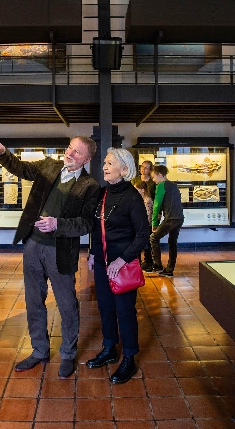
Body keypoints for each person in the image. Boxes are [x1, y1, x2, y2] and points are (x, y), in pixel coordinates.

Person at [0, 135, 99, 378]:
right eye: (70, 148)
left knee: (67, 304)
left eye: (77, 152)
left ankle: (68, 353)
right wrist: (2, 152)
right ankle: (39, 350)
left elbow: (87, 224)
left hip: (61, 252)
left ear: (87, 159)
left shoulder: (90, 186)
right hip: (34, 245)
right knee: (34, 301)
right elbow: (21, 168)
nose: (70, 153)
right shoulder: (49, 166)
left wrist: (58, 224)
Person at [86, 148, 150, 384]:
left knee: (125, 312)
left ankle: (129, 357)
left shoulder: (132, 197)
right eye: (104, 162)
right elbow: (96, 228)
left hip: (123, 263)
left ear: (124, 169)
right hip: (103, 262)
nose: (104, 166)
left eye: (110, 163)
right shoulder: (103, 194)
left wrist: (122, 259)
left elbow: (143, 235)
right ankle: (110, 348)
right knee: (105, 307)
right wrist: (93, 253)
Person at [148, 164, 184, 277]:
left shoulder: (161, 185)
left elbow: (156, 205)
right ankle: (169, 269)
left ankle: (157, 265)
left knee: (153, 238)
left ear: (160, 175)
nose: (153, 180)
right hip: (179, 218)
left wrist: (154, 223)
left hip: (170, 219)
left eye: (154, 177)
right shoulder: (173, 185)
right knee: (172, 243)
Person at [134, 180, 154, 269]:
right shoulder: (144, 199)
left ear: (142, 190)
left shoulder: (147, 200)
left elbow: (147, 214)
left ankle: (147, 262)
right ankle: (143, 262)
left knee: (145, 245)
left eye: (136, 189)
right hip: (144, 225)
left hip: (144, 226)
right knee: (145, 245)